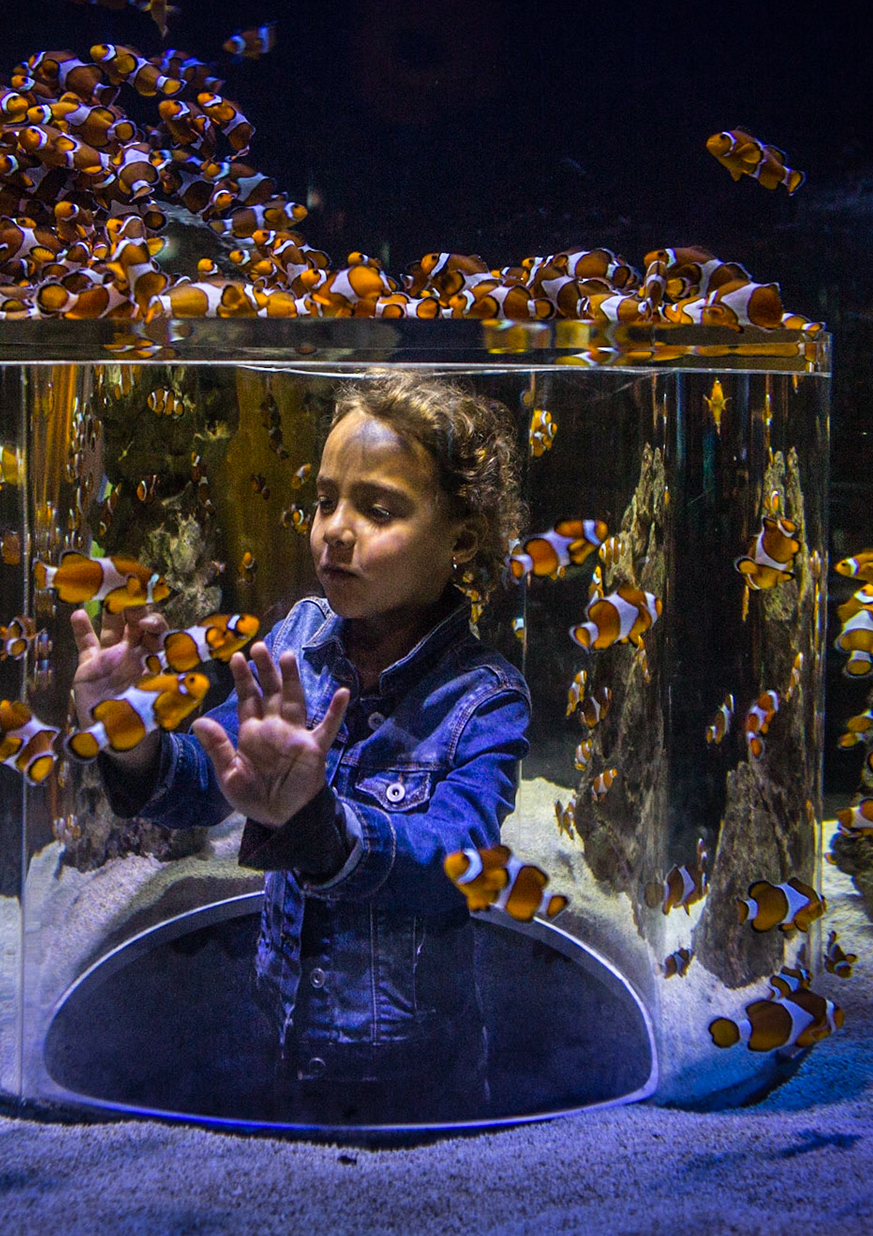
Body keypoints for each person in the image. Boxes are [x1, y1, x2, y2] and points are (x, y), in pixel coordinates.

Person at [69, 372, 531, 1126]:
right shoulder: (299, 639)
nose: (334, 529)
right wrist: (129, 729)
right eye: (324, 500)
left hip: (415, 1085)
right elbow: (207, 775)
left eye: (377, 508)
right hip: (278, 1046)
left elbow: (461, 865)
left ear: (464, 538)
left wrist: (322, 822)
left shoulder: (485, 698)